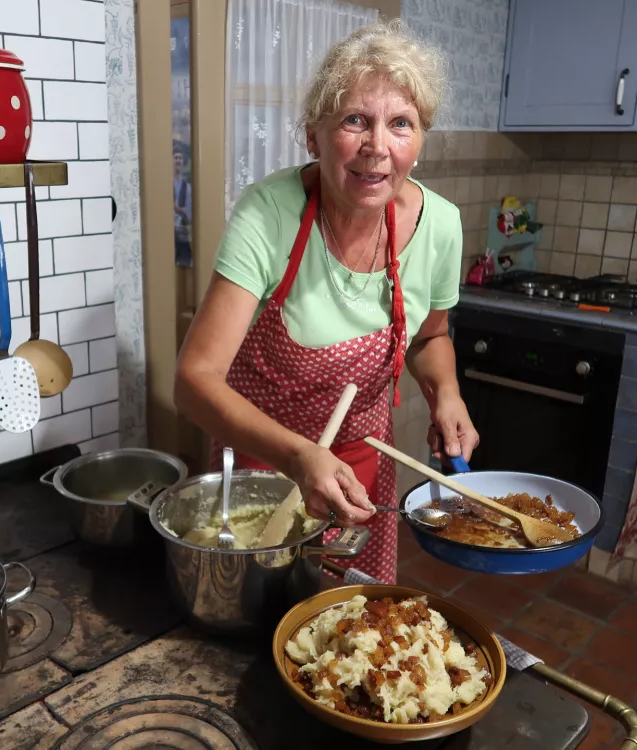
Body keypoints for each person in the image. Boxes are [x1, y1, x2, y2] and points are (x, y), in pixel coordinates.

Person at [173, 20, 479, 582]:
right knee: (254, 623)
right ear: (313, 135)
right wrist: (298, 458)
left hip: (362, 472)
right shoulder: (270, 213)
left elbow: (431, 336)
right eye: (355, 120)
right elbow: (195, 380)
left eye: (400, 124)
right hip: (262, 469)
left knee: (351, 639)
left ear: (420, 140)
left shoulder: (440, 226)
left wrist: (447, 392)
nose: (377, 148)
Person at [173, 145, 193, 267]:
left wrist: (177, 209)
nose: (178, 160)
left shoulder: (187, 187)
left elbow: (189, 213)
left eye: (180, 158)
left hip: (182, 233)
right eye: (175, 157)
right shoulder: (166, 183)